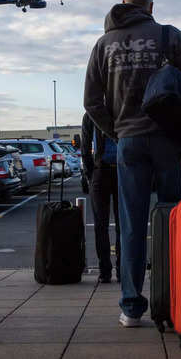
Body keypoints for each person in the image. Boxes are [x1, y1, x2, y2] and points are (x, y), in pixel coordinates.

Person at [84, 0, 181, 327]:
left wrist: (117, 130)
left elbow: (91, 102)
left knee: (132, 225)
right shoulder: (169, 36)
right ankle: (173, 301)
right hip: (167, 140)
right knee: (173, 220)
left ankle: (131, 307)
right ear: (150, 6)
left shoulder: (103, 44)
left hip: (128, 143)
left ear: (123, 3)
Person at [81, 112, 121, 284]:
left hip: (100, 171)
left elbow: (85, 148)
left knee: (101, 225)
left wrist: (91, 173)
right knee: (123, 224)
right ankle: (122, 270)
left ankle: (105, 272)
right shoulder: (120, 107)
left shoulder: (91, 114)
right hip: (121, 170)